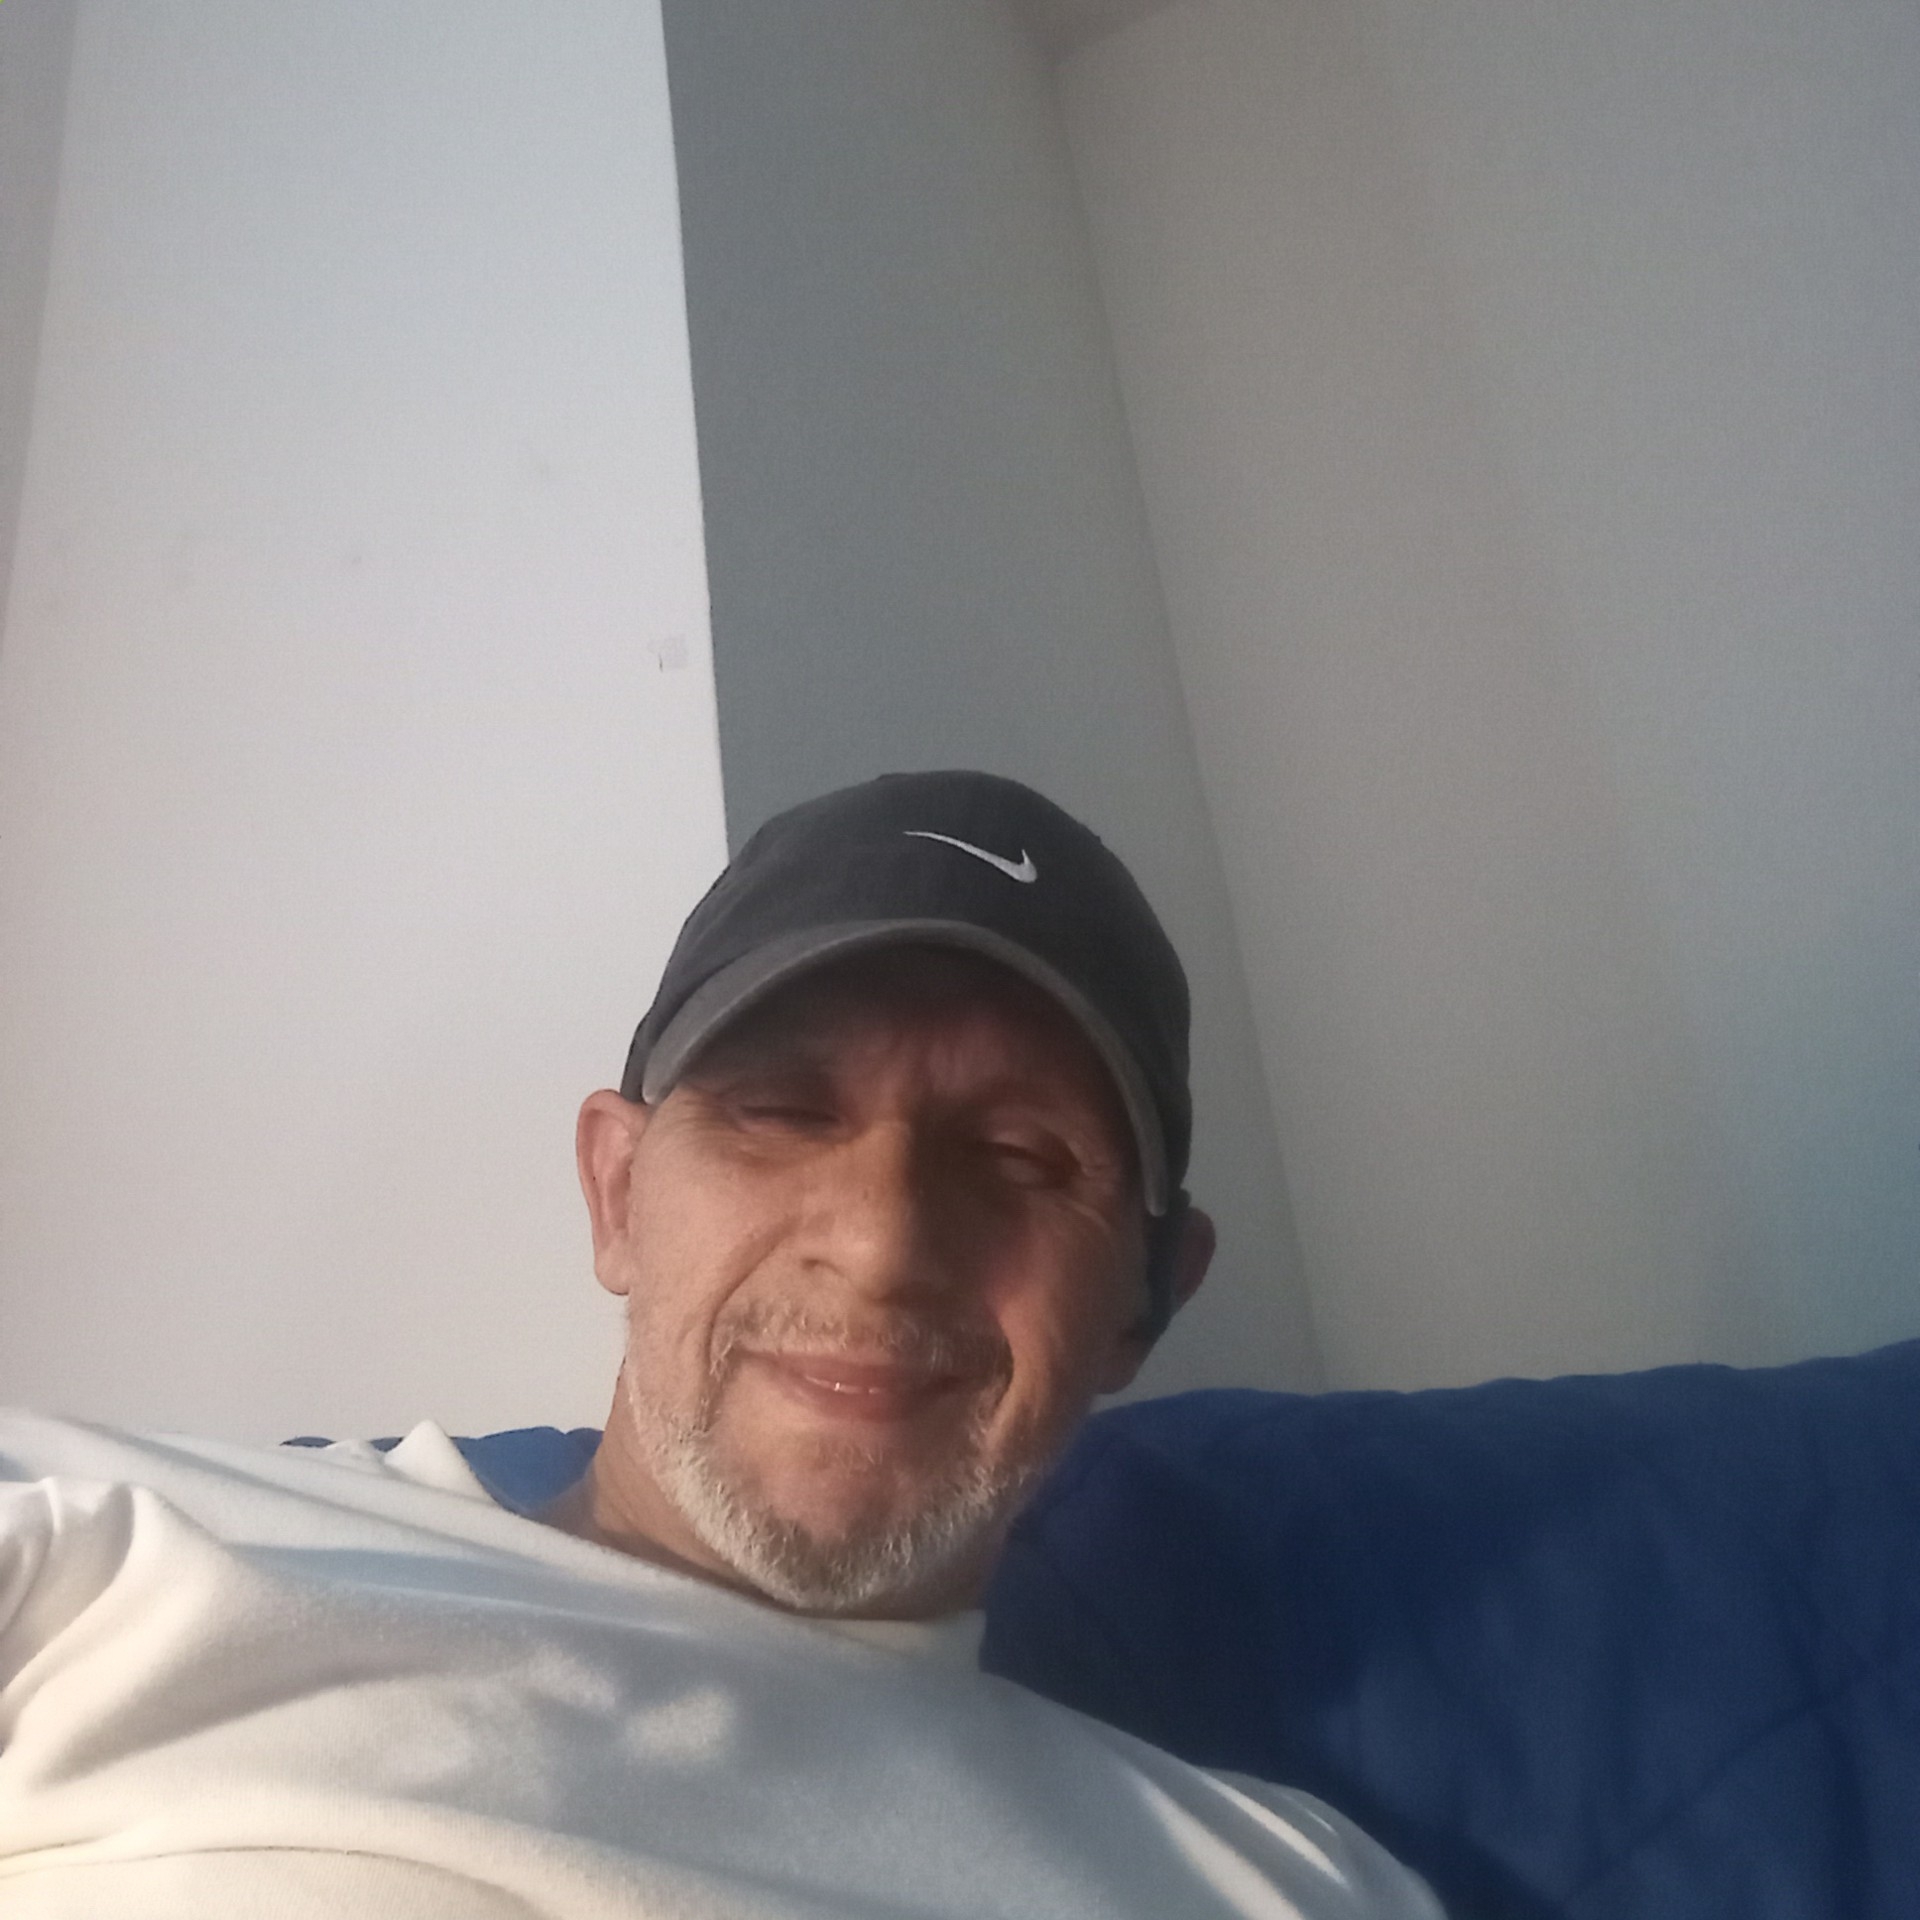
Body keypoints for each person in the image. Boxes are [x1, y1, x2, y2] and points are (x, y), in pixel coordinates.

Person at [0, 770, 1442, 1918]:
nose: (882, 1245)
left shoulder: (1291, 1887)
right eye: (784, 1112)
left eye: (1019, 1159)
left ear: (1147, 1296)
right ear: (617, 1193)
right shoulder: (91, 1536)